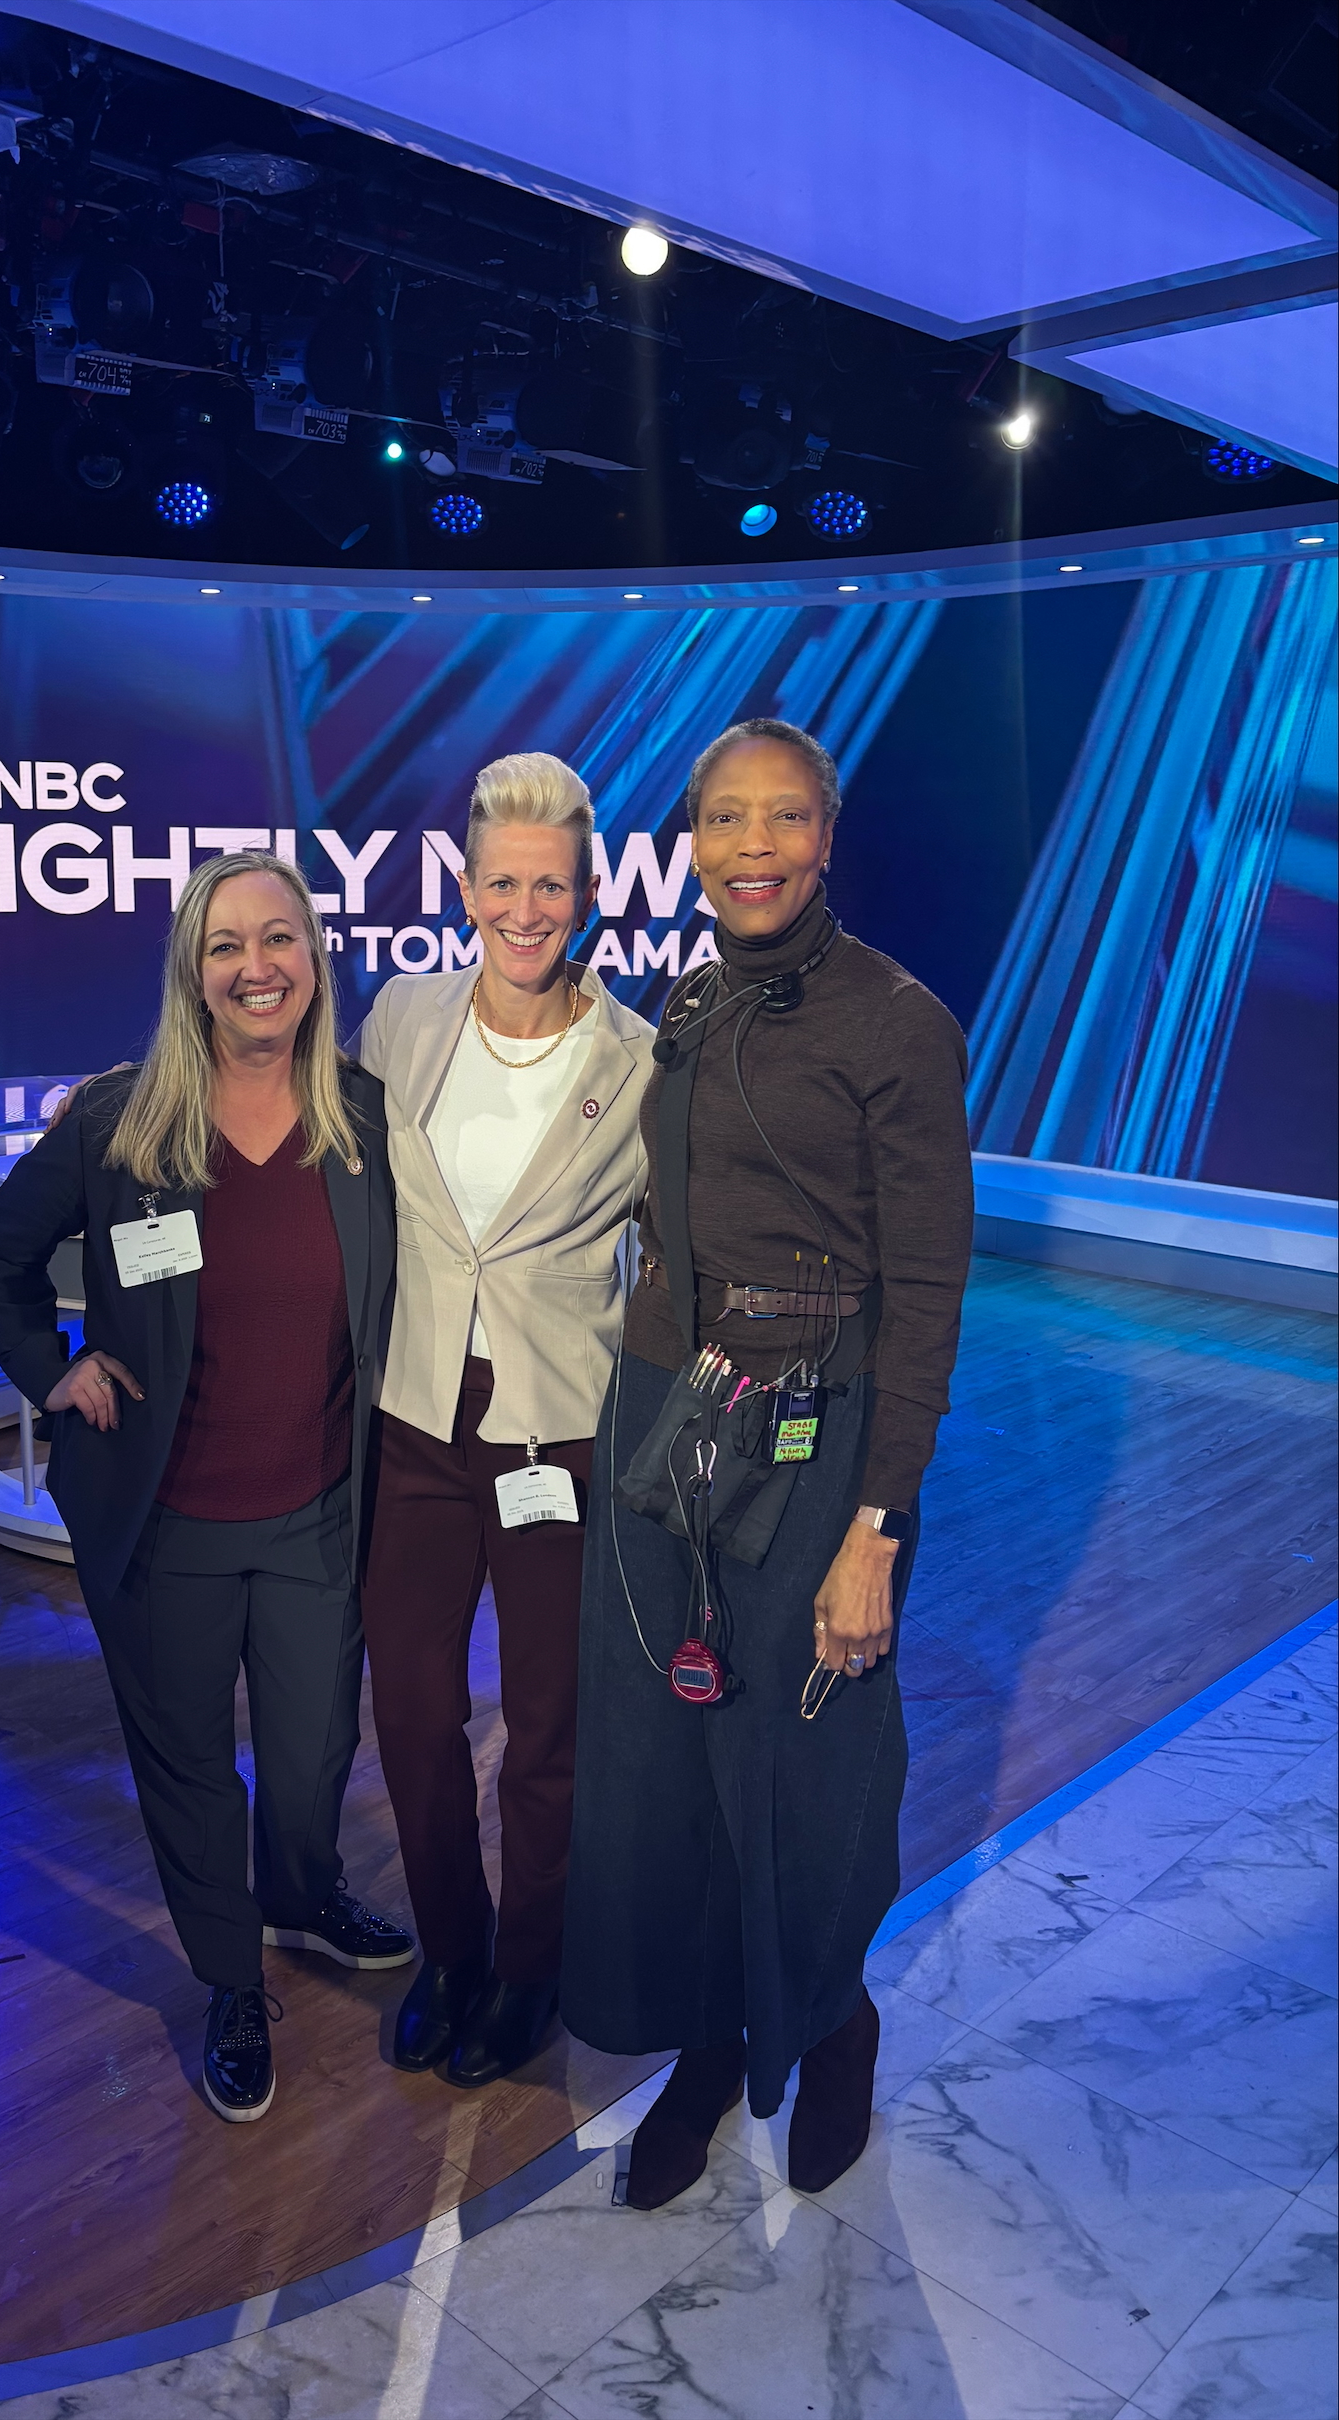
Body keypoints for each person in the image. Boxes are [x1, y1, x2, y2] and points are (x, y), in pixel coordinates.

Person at [561, 717, 973, 2207]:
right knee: (678, 1753)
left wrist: (880, 1525)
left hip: (828, 1437)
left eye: (781, 818)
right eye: (725, 819)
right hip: (676, 1419)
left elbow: (926, 1295)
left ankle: (832, 2025)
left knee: (807, 1756)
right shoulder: (686, 1004)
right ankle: (715, 2042)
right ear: (691, 839)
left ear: (826, 834)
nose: (752, 847)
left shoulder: (897, 1022)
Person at [0, 851, 411, 2126]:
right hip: (167, 1519)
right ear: (192, 973)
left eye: (280, 939)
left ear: (315, 957)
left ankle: (304, 1892)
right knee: (191, 1764)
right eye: (227, 946)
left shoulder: (365, 1117)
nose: (257, 966)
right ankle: (228, 1980)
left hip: (324, 1508)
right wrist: (53, 1369)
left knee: (318, 1745)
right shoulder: (121, 1120)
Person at [357, 754, 654, 2087]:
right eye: (502, 883)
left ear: (589, 892)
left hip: (562, 1432)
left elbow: (691, 1255)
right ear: (463, 884)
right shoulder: (400, 1019)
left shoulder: (643, 1060)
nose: (525, 910)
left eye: (552, 885)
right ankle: (454, 1950)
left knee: (549, 1725)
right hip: (414, 1417)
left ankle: (532, 1965)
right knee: (413, 1710)